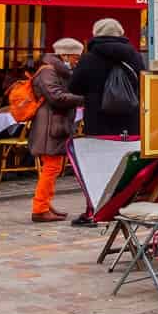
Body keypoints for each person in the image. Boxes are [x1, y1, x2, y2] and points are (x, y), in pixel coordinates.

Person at [29, 39, 86, 223]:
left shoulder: (57, 71)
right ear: (65, 55)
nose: (78, 61)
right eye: (76, 57)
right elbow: (56, 97)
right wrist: (83, 98)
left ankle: (45, 204)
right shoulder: (48, 71)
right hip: (49, 126)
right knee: (51, 167)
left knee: (53, 167)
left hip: (54, 124)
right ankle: (40, 208)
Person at [68, 17, 145, 137]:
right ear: (120, 33)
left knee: (99, 154)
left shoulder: (88, 58)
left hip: (98, 123)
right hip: (129, 123)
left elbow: (74, 88)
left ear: (96, 34)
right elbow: (143, 84)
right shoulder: (135, 56)